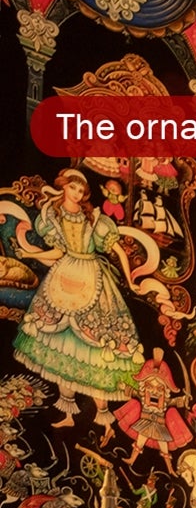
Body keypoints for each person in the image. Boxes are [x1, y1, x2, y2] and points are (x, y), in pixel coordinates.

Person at [12, 168, 143, 427]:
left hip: (93, 282)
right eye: (73, 187)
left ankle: (103, 418)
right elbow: (57, 253)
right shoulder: (54, 218)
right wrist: (30, 255)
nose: (77, 193)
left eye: (81, 190)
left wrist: (131, 281)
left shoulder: (93, 219)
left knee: (96, 348)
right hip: (62, 280)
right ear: (63, 186)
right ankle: (69, 415)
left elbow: (117, 249)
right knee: (62, 346)